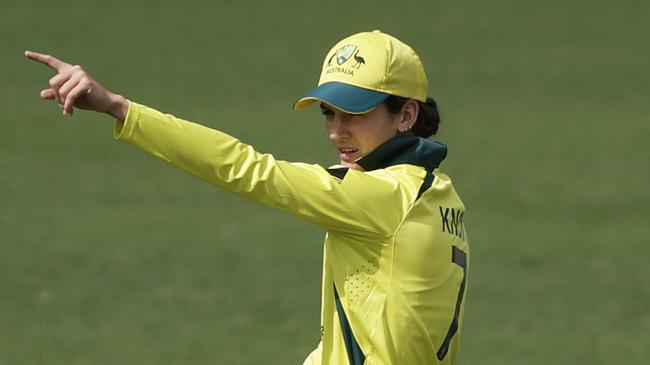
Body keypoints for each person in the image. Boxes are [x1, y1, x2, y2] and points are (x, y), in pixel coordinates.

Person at [26, 30, 469, 365]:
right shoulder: (439, 195)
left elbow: (247, 169)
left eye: (355, 115)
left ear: (406, 114)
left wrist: (119, 109)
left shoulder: (381, 197)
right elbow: (370, 326)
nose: (336, 132)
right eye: (328, 113)